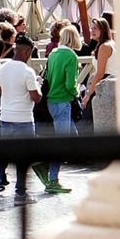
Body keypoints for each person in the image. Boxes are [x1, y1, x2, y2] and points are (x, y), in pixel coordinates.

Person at [0, 33, 46, 204]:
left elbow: (1, 91)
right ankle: (20, 193)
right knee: (23, 158)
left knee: (4, 154)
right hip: (23, 119)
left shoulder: (3, 68)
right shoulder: (27, 71)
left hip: (5, 116)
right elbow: (35, 97)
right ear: (28, 51)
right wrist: (39, 85)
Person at [43, 23, 82, 193]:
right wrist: (77, 93)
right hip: (63, 100)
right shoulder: (71, 56)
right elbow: (70, 84)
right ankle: (53, 179)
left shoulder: (53, 53)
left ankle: (48, 166)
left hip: (51, 100)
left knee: (72, 138)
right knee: (62, 142)